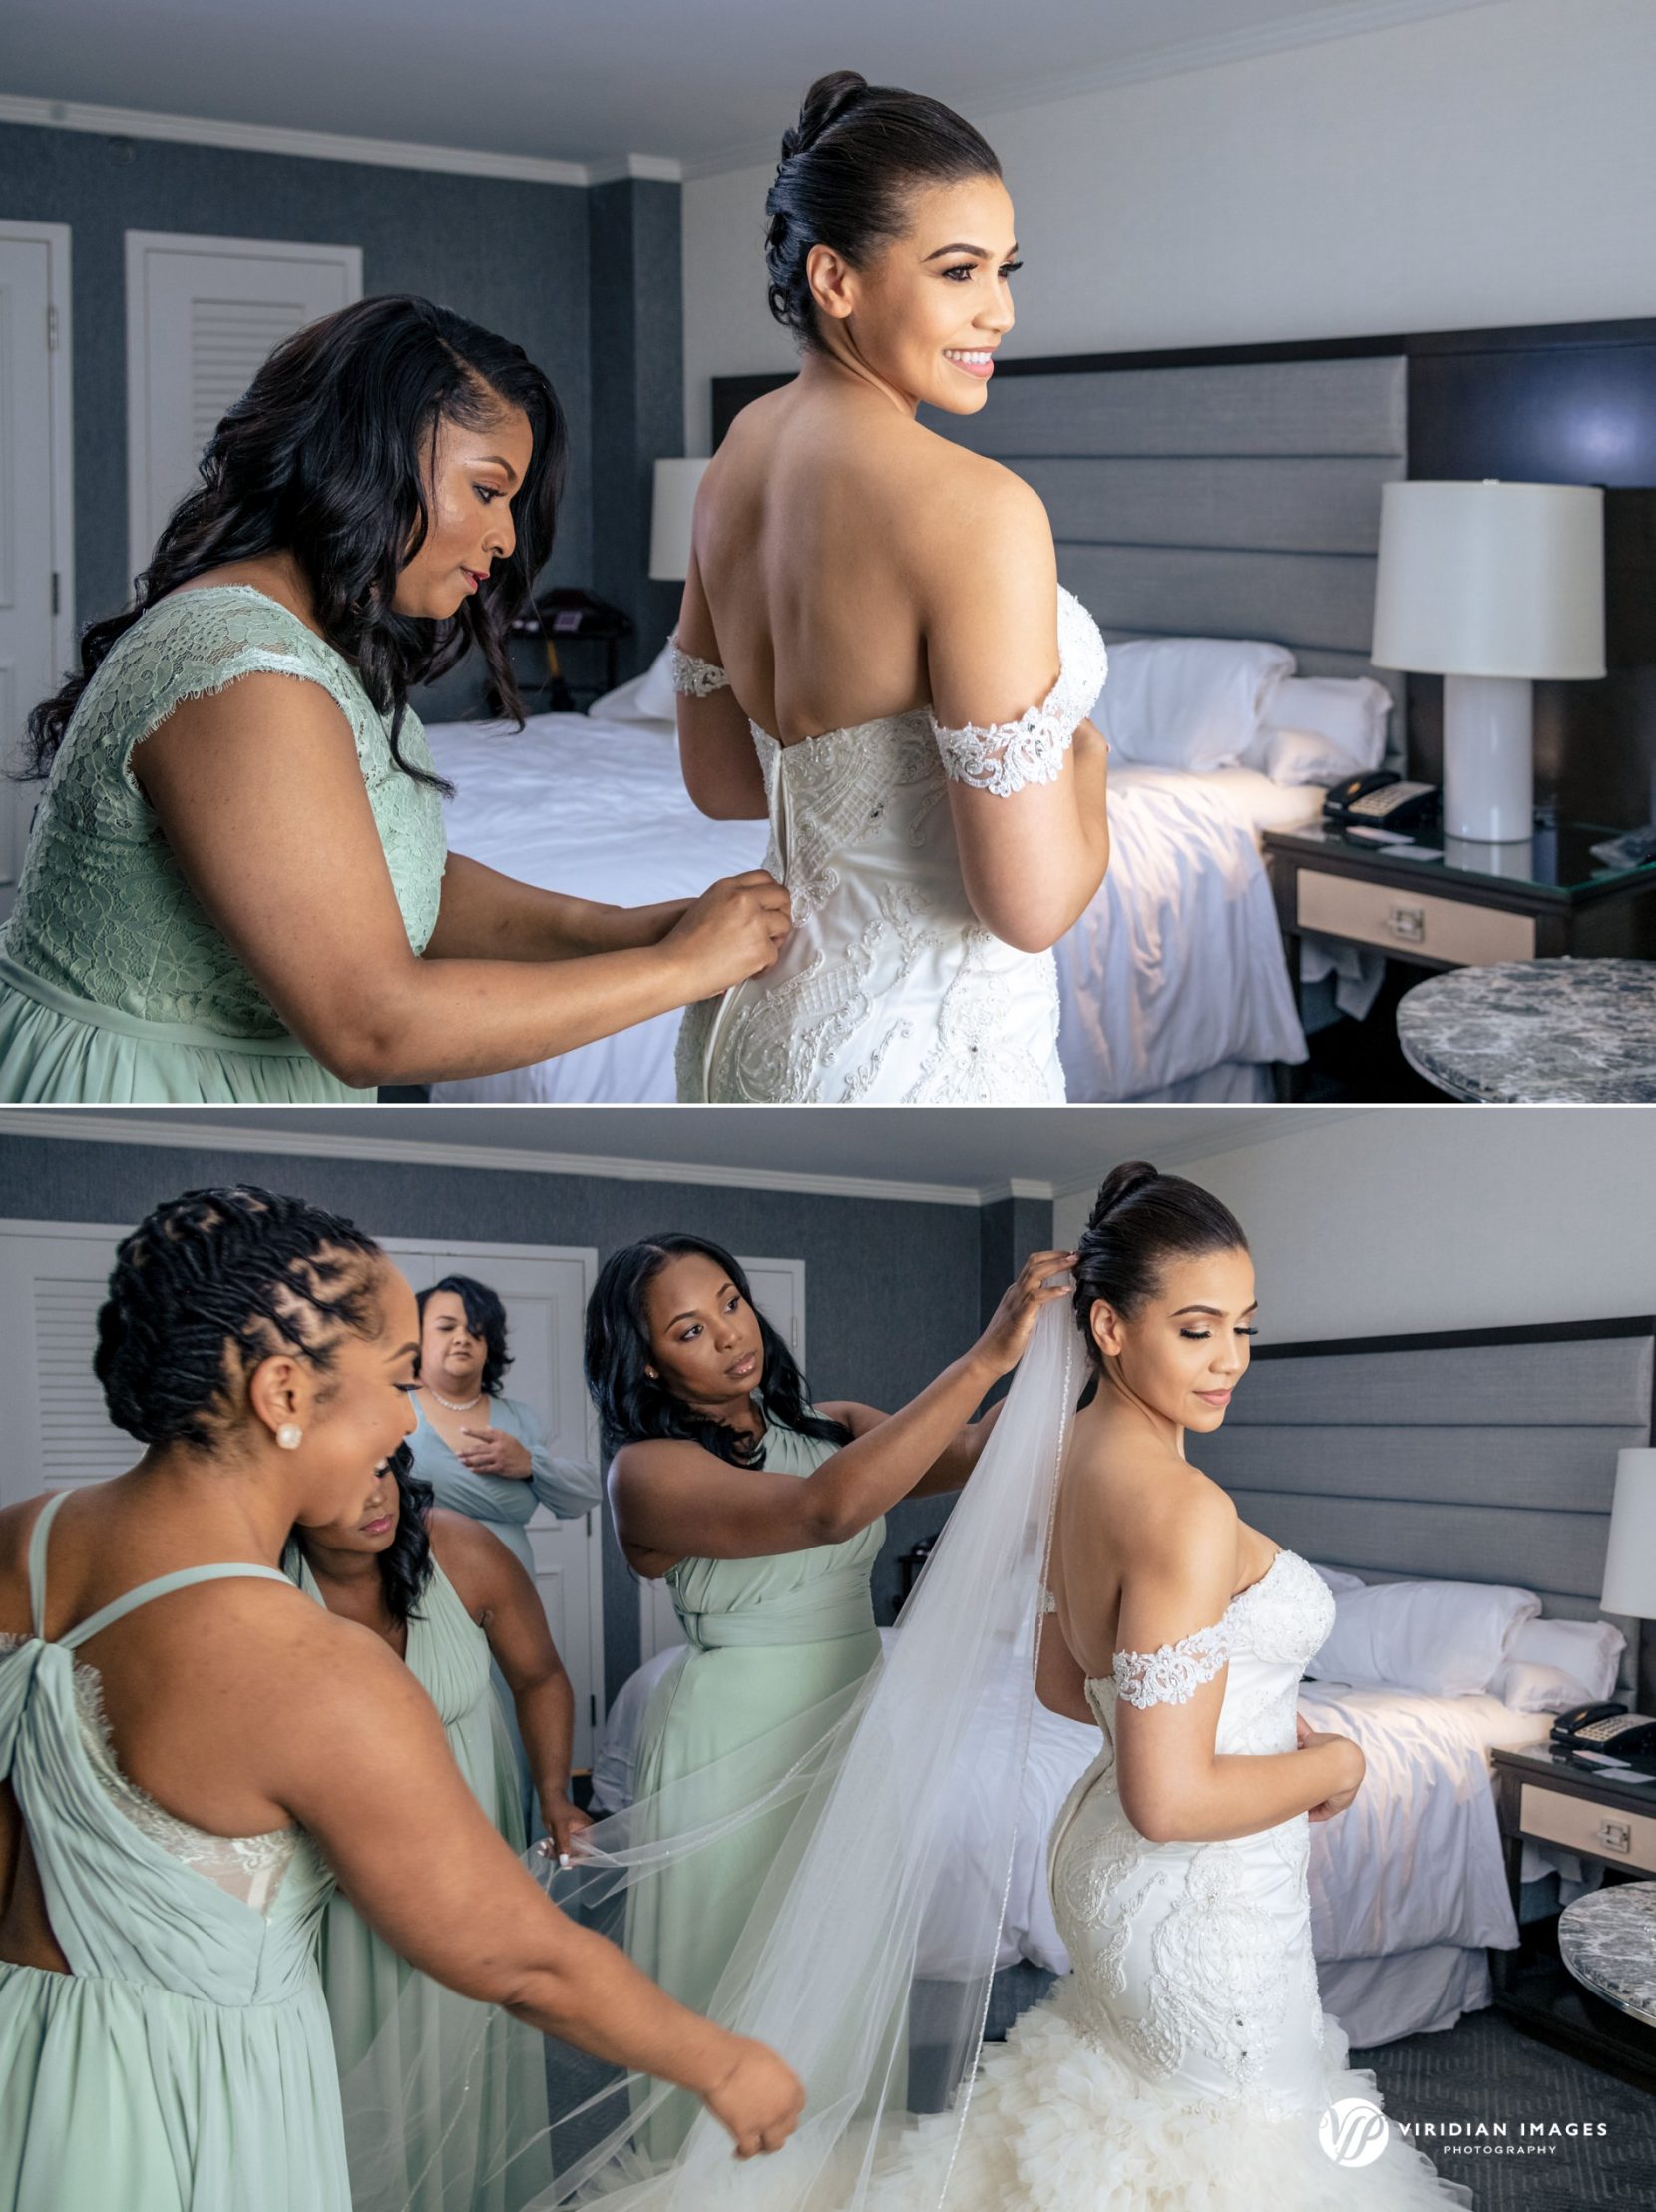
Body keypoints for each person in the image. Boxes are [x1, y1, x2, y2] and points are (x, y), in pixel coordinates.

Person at [0, 1185, 802, 2212]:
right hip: (178, 2110)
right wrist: (726, 2065)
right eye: (394, 1382)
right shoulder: (312, 1668)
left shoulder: (24, 1538)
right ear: (285, 1394)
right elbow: (517, 1957)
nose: (406, 1422)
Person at [0, 294, 790, 1104]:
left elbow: (402, 881)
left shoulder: (319, 639)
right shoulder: (247, 671)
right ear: (371, 457)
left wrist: (625, 928)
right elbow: (372, 1026)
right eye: (488, 492)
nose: (508, 537)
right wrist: (677, 968)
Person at [867, 1162, 1471, 2209]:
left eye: (1243, 1326)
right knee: (1241, 2153)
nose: (1229, 1360)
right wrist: (1332, 1756)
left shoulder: (1067, 1457)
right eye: (1196, 1330)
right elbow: (1172, 1800)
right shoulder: (1182, 1508)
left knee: (1143, 2140)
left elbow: (1068, 1686)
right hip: (1195, 1902)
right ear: (1107, 1327)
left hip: (1111, 1870)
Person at [576, 1231, 1072, 2158]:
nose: (731, 1334)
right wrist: (984, 1353)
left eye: (730, 1300)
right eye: (691, 1328)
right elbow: (824, 1510)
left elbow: (967, 1451)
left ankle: (825, 2162)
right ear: (648, 1360)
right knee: (730, 1970)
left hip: (848, 1731)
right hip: (735, 1744)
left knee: (837, 1968)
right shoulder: (644, 1471)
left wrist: (1062, 1344)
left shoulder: (831, 1425)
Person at [669, 70, 1111, 1104]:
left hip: (758, 1039)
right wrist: (1086, 767)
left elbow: (726, 784)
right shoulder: (978, 510)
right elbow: (1029, 905)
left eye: (1005, 270)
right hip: (920, 1059)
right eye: (958, 272)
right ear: (834, 279)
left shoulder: (737, 455)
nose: (999, 312)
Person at [287, 1445, 586, 2211]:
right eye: (343, 1480)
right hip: (335, 1865)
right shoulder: (263, 1580)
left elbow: (540, 1674)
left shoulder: (461, 1549)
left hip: (468, 1840)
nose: (376, 1498)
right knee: (348, 2047)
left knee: (467, 2032)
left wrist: (553, 1790)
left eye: (383, 1469)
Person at [411, 1275, 599, 1577]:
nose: (462, 1338)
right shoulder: (395, 1409)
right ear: (416, 1338)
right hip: (423, 1589)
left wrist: (529, 1464)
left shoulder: (520, 1418)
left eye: (476, 1331)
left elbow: (588, 1492)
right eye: (446, 1327)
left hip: (512, 1593)